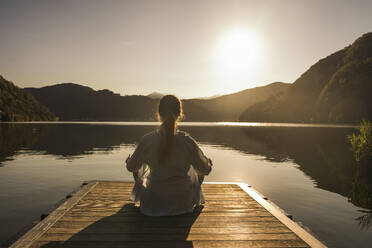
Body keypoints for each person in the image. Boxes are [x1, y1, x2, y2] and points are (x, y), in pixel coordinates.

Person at [126, 95, 212, 216]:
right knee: (198, 167)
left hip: (152, 204)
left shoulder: (147, 140)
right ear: (179, 114)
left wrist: (129, 161)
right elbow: (205, 170)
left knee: (137, 165)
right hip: (182, 205)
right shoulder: (187, 141)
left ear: (159, 114)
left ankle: (140, 195)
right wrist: (207, 163)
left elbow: (131, 167)